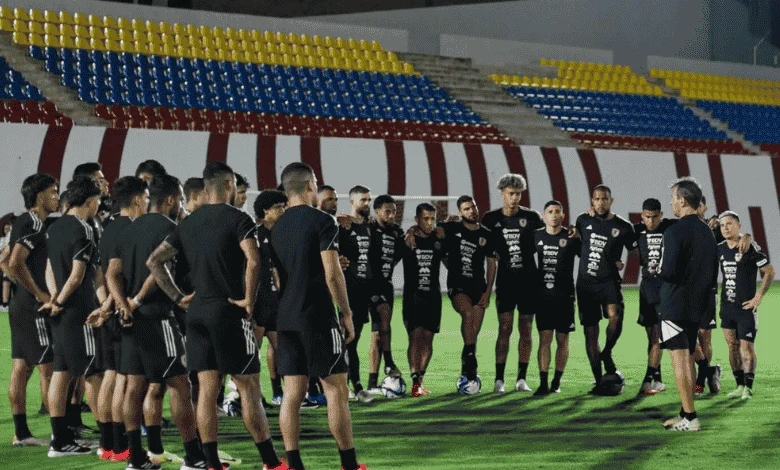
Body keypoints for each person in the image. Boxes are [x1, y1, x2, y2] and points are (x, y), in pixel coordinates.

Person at [147, 162, 283, 470]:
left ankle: (209, 462)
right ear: (229, 184)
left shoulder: (187, 223)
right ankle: (272, 463)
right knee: (248, 384)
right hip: (229, 311)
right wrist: (249, 299)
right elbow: (253, 259)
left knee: (207, 388)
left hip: (197, 314)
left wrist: (178, 298)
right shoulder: (239, 219)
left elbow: (154, 261)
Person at [269, 162, 368, 470]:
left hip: (286, 317)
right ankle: (349, 464)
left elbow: (278, 277)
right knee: (336, 388)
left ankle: (293, 464)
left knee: (292, 393)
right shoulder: (322, 221)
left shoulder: (277, 226)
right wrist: (347, 313)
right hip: (317, 316)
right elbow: (331, 273)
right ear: (311, 185)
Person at [106, 174, 207, 470]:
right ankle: (193, 456)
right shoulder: (171, 228)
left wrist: (123, 305)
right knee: (179, 386)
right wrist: (140, 300)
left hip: (131, 321)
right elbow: (157, 268)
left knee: (135, 387)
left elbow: (113, 272)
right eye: (180, 199)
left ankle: (137, 459)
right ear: (171, 200)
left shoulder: (128, 230)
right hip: (158, 316)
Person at [42, 175, 104, 457]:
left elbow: (48, 270)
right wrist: (63, 301)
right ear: (90, 201)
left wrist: (55, 300)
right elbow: (78, 276)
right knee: (93, 373)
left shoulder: (54, 227)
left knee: (61, 372)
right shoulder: (84, 228)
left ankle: (60, 441)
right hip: (80, 311)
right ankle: (111, 441)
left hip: (62, 311)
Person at [88, 176, 149, 462]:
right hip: (123, 311)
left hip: (110, 309)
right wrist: (116, 305)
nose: (147, 203)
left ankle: (107, 445)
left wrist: (105, 305)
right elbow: (117, 273)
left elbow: (101, 272)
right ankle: (121, 446)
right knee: (122, 381)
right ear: (137, 200)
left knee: (110, 377)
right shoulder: (132, 229)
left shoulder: (109, 227)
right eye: (146, 199)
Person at [658, 177, 718, 432]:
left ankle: (691, 418)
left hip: (674, 304)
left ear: (682, 200)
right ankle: (686, 413)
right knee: (688, 358)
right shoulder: (707, 231)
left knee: (680, 359)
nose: (671, 202)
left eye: (673, 198)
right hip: (698, 304)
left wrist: (657, 269)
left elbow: (669, 272)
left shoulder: (674, 231)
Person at [8, 174, 59, 447]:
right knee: (48, 368)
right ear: (39, 196)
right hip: (33, 307)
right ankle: (59, 435)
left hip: (20, 305)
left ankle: (22, 433)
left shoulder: (23, 222)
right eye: (53, 192)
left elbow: (5, 260)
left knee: (21, 368)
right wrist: (40, 294)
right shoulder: (34, 221)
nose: (57, 196)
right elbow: (15, 262)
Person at [481, 174, 543, 393]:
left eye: (518, 194)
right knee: (504, 328)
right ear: (502, 193)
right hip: (506, 283)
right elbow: (486, 254)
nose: (514, 198)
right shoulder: (490, 219)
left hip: (529, 282)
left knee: (526, 328)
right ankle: (499, 379)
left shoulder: (532, 217)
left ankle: (521, 378)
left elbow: (548, 242)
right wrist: (487, 290)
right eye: (510, 193)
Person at [575, 185, 637, 394]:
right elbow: (578, 246)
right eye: (597, 199)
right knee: (590, 332)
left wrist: (621, 264)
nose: (600, 202)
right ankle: (598, 380)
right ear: (592, 201)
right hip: (585, 284)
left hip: (609, 281)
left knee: (615, 316)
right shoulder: (583, 220)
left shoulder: (624, 226)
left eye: (604, 199)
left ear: (612, 200)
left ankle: (607, 352)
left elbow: (636, 250)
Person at [717, 211, 775, 400]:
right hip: (727, 307)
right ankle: (739, 385)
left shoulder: (749, 247)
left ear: (739, 226)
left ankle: (748, 388)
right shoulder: (719, 248)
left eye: (729, 224)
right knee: (731, 346)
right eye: (722, 225)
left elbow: (769, 271)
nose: (725, 228)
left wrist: (758, 296)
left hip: (746, 308)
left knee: (746, 347)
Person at [441, 196, 496, 393]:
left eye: (473, 206)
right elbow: (432, 233)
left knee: (472, 335)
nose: (472, 211)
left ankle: (465, 375)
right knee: (468, 315)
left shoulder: (486, 234)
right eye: (466, 208)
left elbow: (491, 264)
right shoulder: (452, 229)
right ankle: (472, 369)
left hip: (478, 288)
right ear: (460, 212)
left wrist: (488, 292)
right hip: (458, 287)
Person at [533, 201, 580, 396]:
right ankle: (543, 383)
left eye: (557, 212)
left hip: (565, 297)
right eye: (550, 212)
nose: (554, 215)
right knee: (544, 339)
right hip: (543, 297)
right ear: (544, 216)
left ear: (563, 215)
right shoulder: (536, 236)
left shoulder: (571, 237)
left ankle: (556, 381)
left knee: (562, 339)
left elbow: (588, 257)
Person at [400, 203, 446, 397]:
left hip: (433, 296)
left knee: (428, 338)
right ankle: (414, 379)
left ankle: (420, 380)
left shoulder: (439, 239)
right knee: (415, 337)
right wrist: (409, 232)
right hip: (413, 296)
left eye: (432, 219)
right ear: (417, 219)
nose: (429, 222)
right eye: (425, 218)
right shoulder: (408, 240)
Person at [336, 186, 376, 403]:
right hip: (345, 291)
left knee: (353, 340)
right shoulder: (342, 226)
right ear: (352, 202)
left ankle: (355, 385)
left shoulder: (369, 227)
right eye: (363, 200)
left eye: (369, 200)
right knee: (342, 340)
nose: (367, 204)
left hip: (362, 292)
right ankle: (351, 385)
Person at [634, 198, 674, 396]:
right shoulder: (636, 230)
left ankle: (648, 379)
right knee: (651, 338)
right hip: (646, 289)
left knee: (659, 336)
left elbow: (697, 223)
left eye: (654, 217)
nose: (650, 221)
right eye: (647, 217)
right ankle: (658, 378)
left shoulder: (671, 227)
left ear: (661, 214)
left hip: (665, 290)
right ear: (642, 216)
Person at [252, 190, 288, 406]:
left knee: (282, 349)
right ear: (265, 211)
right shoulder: (255, 235)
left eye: (283, 206)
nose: (282, 211)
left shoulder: (284, 233)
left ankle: (279, 393)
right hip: (257, 303)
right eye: (278, 207)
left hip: (276, 303)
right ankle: (233, 397)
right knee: (251, 355)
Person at [368, 195, 404, 381]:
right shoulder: (368, 229)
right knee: (355, 332)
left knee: (379, 330)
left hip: (384, 285)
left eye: (394, 212)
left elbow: (398, 255)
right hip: (364, 286)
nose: (391, 216)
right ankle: (387, 363)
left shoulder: (397, 232)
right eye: (387, 211)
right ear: (377, 211)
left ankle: (373, 379)